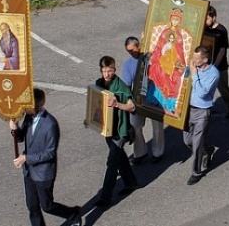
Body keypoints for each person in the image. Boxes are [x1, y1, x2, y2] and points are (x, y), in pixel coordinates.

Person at [9, 88, 82, 226]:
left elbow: (50, 153)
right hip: (29, 171)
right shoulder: (29, 117)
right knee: (32, 206)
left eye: (31, 104)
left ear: (41, 103)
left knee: (47, 206)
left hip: (43, 173)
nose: (28, 107)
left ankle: (73, 213)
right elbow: (21, 138)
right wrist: (15, 129)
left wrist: (26, 158)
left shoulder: (50, 124)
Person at [94, 56, 138, 208]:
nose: (107, 74)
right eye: (104, 71)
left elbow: (132, 107)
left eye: (110, 71)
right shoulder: (99, 83)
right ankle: (131, 182)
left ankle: (105, 198)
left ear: (115, 69)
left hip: (119, 130)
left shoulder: (121, 86)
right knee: (120, 157)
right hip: (107, 128)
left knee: (112, 163)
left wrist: (118, 104)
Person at [121, 37, 165, 165]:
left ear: (139, 45)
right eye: (128, 51)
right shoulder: (129, 64)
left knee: (157, 127)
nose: (131, 53)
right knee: (135, 126)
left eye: (132, 49)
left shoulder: (151, 58)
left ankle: (158, 152)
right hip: (138, 99)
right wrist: (129, 101)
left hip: (155, 97)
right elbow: (127, 85)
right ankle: (140, 152)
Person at [183, 46, 220, 185]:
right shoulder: (194, 68)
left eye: (197, 59)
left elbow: (203, 93)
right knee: (188, 141)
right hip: (189, 110)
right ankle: (208, 149)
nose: (194, 61)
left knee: (197, 144)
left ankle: (196, 172)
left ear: (205, 59)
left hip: (202, 111)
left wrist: (194, 74)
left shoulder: (213, 73)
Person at [146, 8, 192, 113]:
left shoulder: (179, 36)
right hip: (161, 60)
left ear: (179, 21)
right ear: (170, 19)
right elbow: (158, 47)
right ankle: (155, 100)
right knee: (158, 71)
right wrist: (158, 56)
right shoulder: (165, 32)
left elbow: (180, 53)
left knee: (174, 77)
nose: (175, 21)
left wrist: (176, 62)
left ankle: (169, 105)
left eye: (177, 19)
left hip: (174, 63)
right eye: (173, 19)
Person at [205, 7, 229, 118]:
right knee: (207, 89)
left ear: (214, 17)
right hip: (206, 64)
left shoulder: (221, 30)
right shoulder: (205, 28)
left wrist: (215, 66)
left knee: (223, 88)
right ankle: (207, 108)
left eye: (207, 18)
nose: (205, 21)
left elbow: (222, 50)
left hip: (220, 66)